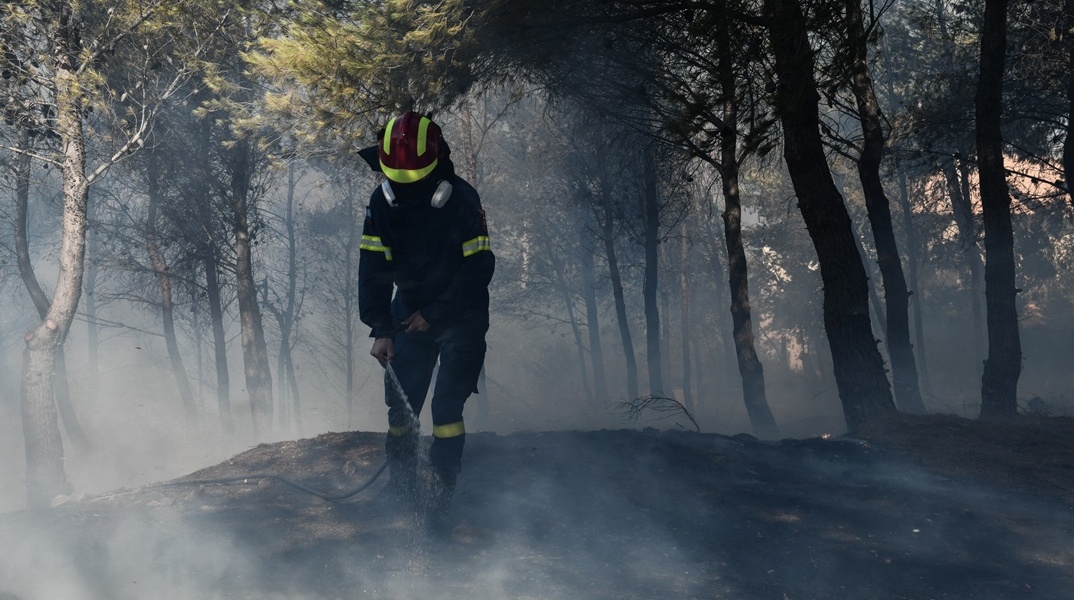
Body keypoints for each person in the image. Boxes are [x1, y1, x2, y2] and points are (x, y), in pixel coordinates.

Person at [357, 111, 494, 532]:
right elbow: (373, 269)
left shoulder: (462, 200)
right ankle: (401, 487)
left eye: (414, 179)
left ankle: (440, 490)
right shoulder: (382, 203)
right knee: (402, 408)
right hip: (407, 312)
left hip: (462, 314)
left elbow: (479, 268)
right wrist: (381, 327)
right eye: (397, 179)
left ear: (436, 164)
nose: (405, 189)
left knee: (446, 408)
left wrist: (435, 314)